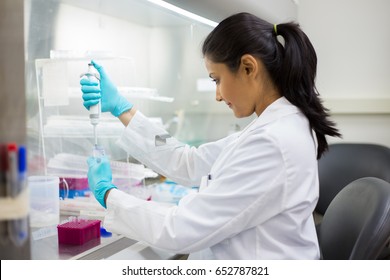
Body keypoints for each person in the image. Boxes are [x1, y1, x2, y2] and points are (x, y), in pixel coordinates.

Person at [80, 12, 341, 259]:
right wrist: (123, 109)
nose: (217, 95)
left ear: (248, 67)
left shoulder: (273, 141)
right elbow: (189, 161)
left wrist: (107, 194)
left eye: (216, 79)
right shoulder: (276, 126)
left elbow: (180, 230)